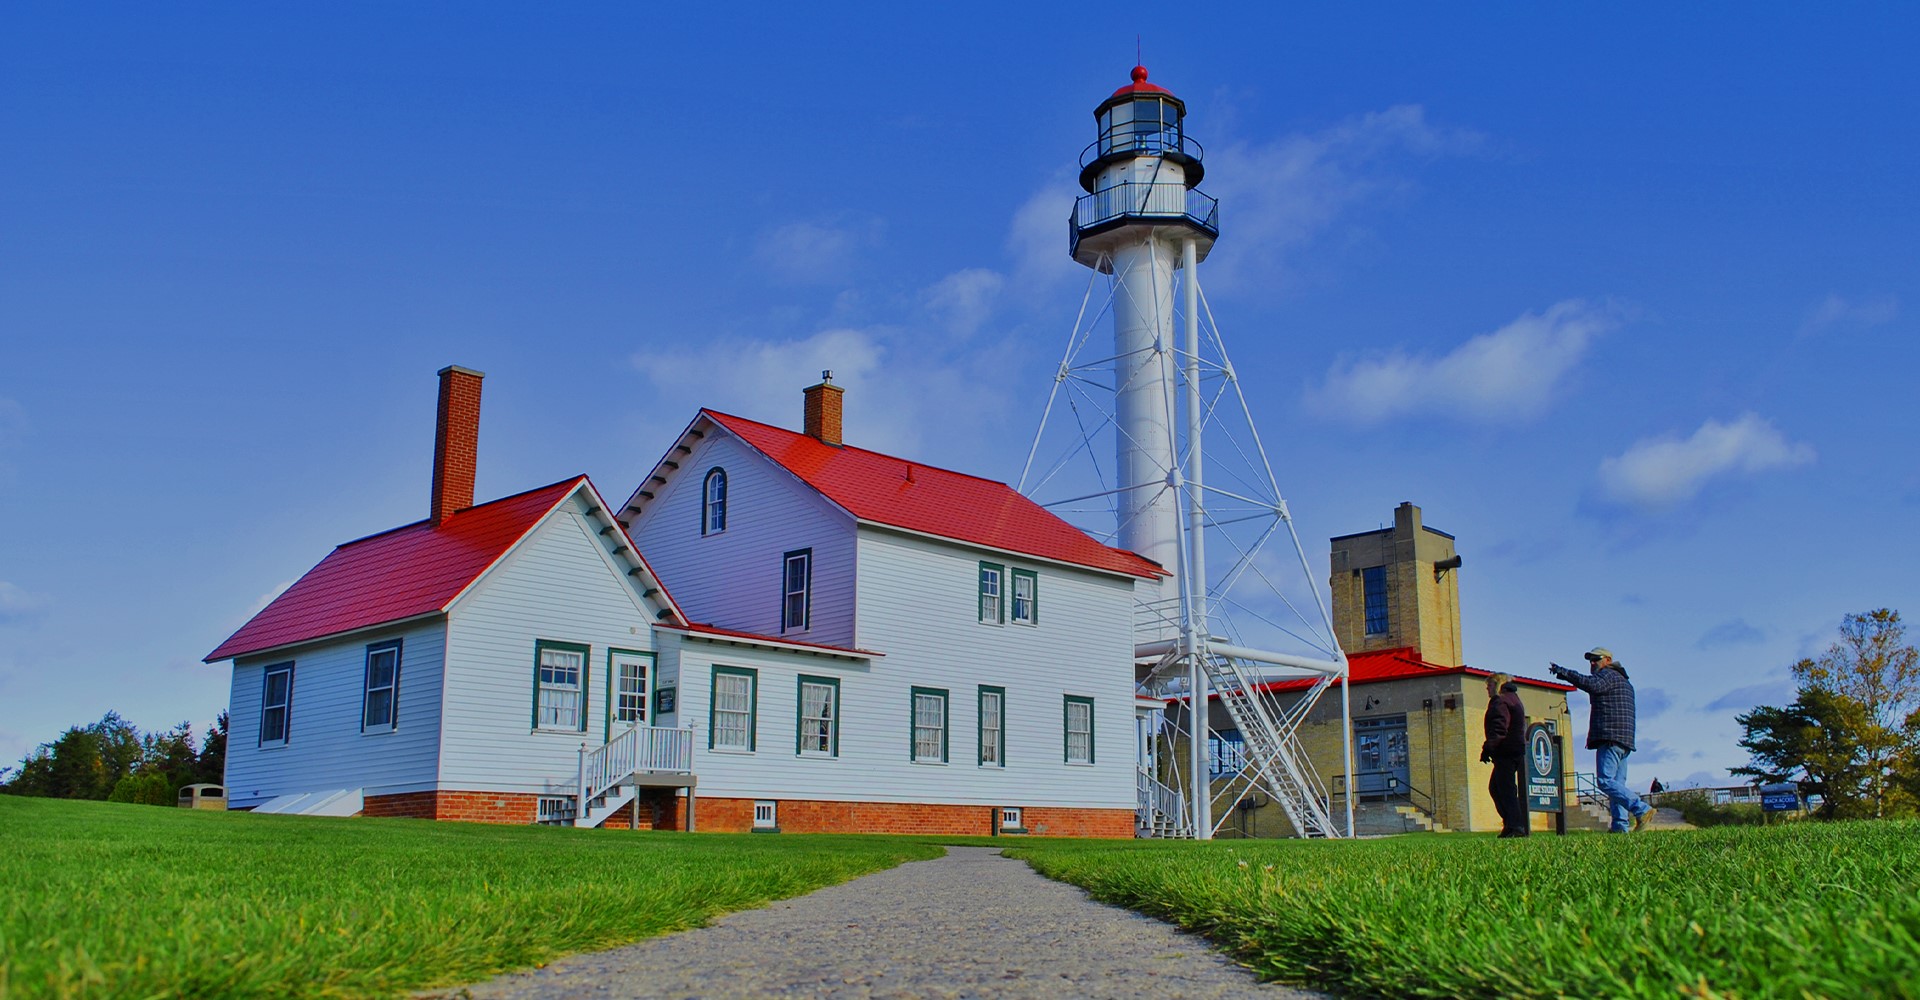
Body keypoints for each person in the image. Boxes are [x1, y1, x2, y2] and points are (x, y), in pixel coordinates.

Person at [1550, 647, 1653, 833]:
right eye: (1590, 660)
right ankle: (1620, 827)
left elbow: (1590, 684)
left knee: (1605, 781)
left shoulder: (1608, 676)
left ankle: (1641, 809)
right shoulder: (1625, 682)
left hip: (1610, 737)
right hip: (1625, 741)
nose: (1592, 663)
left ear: (1608, 660)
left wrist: (1564, 673)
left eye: (1595, 659)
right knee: (1617, 786)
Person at [1480, 673, 1529, 837]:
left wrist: (1488, 748)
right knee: (1497, 787)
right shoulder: (1515, 699)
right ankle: (1510, 824)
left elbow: (1499, 728)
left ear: (1498, 685)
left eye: (1490, 685)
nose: (1487, 688)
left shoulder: (1500, 701)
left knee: (1503, 789)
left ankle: (1515, 825)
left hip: (1505, 750)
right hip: (1515, 749)